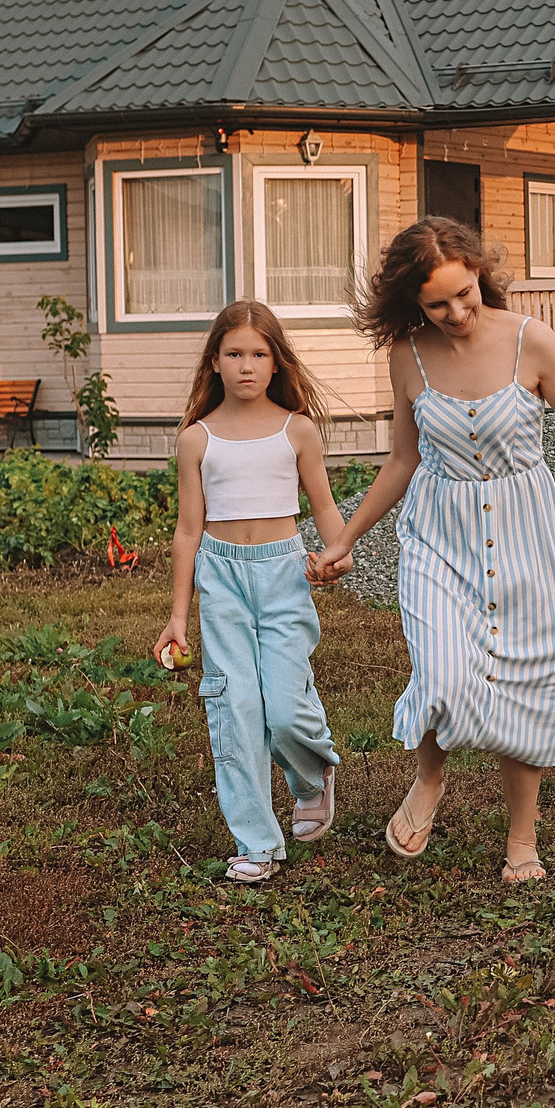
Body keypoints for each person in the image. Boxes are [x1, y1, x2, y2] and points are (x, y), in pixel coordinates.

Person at [307, 218, 555, 885]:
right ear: (413, 303)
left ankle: (522, 839)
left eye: (466, 293)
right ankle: (429, 779)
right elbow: (402, 460)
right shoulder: (409, 355)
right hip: (439, 530)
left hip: (524, 531)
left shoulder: (531, 342)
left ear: (481, 275)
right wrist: (343, 538)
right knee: (441, 666)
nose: (457, 312)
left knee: (530, 679)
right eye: (439, 303)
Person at [153, 301, 351, 885]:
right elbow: (188, 530)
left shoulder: (297, 429)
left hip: (283, 573)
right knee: (235, 708)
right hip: (221, 578)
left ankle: (312, 776)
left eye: (258, 355)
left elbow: (323, 507)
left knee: (285, 710)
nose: (246, 366)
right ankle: (256, 843)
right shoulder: (197, 439)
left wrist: (335, 555)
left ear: (276, 361)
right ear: (214, 361)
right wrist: (177, 617)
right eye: (234, 354)